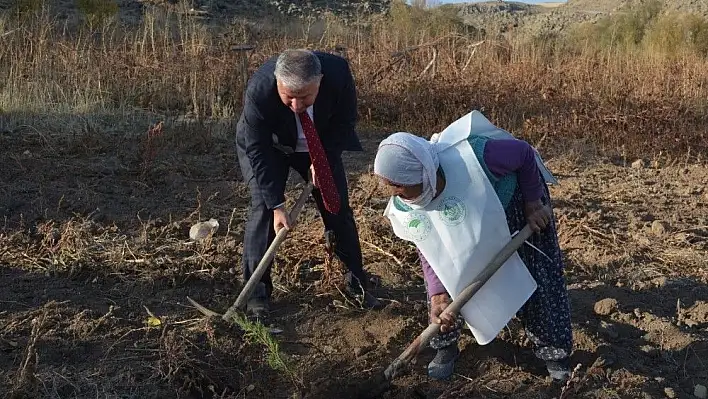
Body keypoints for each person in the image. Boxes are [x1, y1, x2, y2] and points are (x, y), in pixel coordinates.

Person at [373, 112, 573, 382]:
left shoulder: (478, 157)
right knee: (447, 284)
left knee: (538, 276)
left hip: (516, 207)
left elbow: (524, 154)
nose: (398, 197)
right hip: (465, 221)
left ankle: (555, 354)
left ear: (423, 174)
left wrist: (533, 203)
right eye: (392, 190)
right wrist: (438, 294)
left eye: (400, 189)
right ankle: (445, 347)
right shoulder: (408, 203)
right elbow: (430, 250)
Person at [235, 48, 382, 320]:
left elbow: (345, 123)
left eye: (304, 97)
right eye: (288, 97)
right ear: (278, 83)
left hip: (321, 144)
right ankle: (256, 294)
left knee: (337, 208)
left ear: (320, 81)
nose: (296, 105)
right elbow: (257, 150)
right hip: (271, 147)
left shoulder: (338, 74)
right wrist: (277, 205)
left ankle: (355, 283)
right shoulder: (259, 90)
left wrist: (323, 159)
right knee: (263, 211)